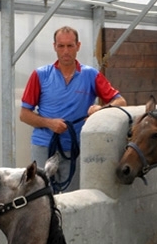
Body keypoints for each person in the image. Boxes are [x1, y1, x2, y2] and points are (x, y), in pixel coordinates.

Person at [19, 26, 127, 191]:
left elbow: (120, 101)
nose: (65, 51)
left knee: (74, 195)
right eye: (61, 46)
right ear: (54, 46)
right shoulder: (40, 75)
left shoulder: (90, 75)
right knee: (40, 195)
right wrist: (49, 123)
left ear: (78, 46)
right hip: (44, 147)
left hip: (75, 149)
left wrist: (101, 110)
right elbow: (24, 115)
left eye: (70, 46)